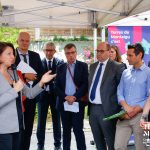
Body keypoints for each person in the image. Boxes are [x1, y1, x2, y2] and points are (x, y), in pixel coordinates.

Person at [0, 42, 56, 150]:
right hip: (3, 130)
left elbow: (29, 94)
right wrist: (14, 90)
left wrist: (41, 82)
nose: (13, 57)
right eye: (9, 54)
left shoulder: (13, 74)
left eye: (13, 54)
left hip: (18, 126)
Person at [88, 42, 125, 150]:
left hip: (108, 111)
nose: (99, 53)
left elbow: (121, 90)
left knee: (111, 142)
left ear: (109, 52)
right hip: (92, 110)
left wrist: (120, 110)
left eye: (102, 51)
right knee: (98, 142)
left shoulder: (117, 67)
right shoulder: (93, 66)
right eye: (97, 51)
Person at [114, 43, 150, 150]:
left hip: (141, 116)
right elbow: (119, 92)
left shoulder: (148, 72)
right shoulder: (125, 72)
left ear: (139, 55)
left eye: (130, 55)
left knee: (141, 147)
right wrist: (126, 108)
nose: (127, 57)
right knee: (118, 146)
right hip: (124, 115)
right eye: (127, 55)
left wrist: (134, 110)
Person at [55, 43, 88, 150]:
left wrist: (74, 97)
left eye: (73, 53)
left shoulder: (83, 66)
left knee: (78, 130)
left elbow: (85, 84)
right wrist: (65, 97)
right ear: (65, 54)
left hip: (77, 103)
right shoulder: (60, 67)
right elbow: (56, 86)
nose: (71, 55)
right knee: (66, 131)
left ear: (76, 53)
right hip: (64, 104)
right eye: (68, 53)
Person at [15, 32, 44, 150]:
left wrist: (34, 78)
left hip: (31, 98)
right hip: (16, 99)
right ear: (17, 41)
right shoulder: (12, 56)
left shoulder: (35, 56)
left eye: (27, 41)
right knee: (16, 130)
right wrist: (24, 75)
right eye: (22, 40)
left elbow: (41, 74)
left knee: (28, 130)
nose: (25, 43)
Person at [37, 42, 63, 150]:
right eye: (46, 50)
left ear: (55, 51)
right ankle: (40, 145)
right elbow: (38, 78)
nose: (48, 52)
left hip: (55, 96)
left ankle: (57, 145)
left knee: (56, 121)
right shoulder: (39, 63)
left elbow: (61, 78)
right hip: (42, 96)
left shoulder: (60, 62)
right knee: (41, 121)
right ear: (44, 51)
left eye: (51, 50)